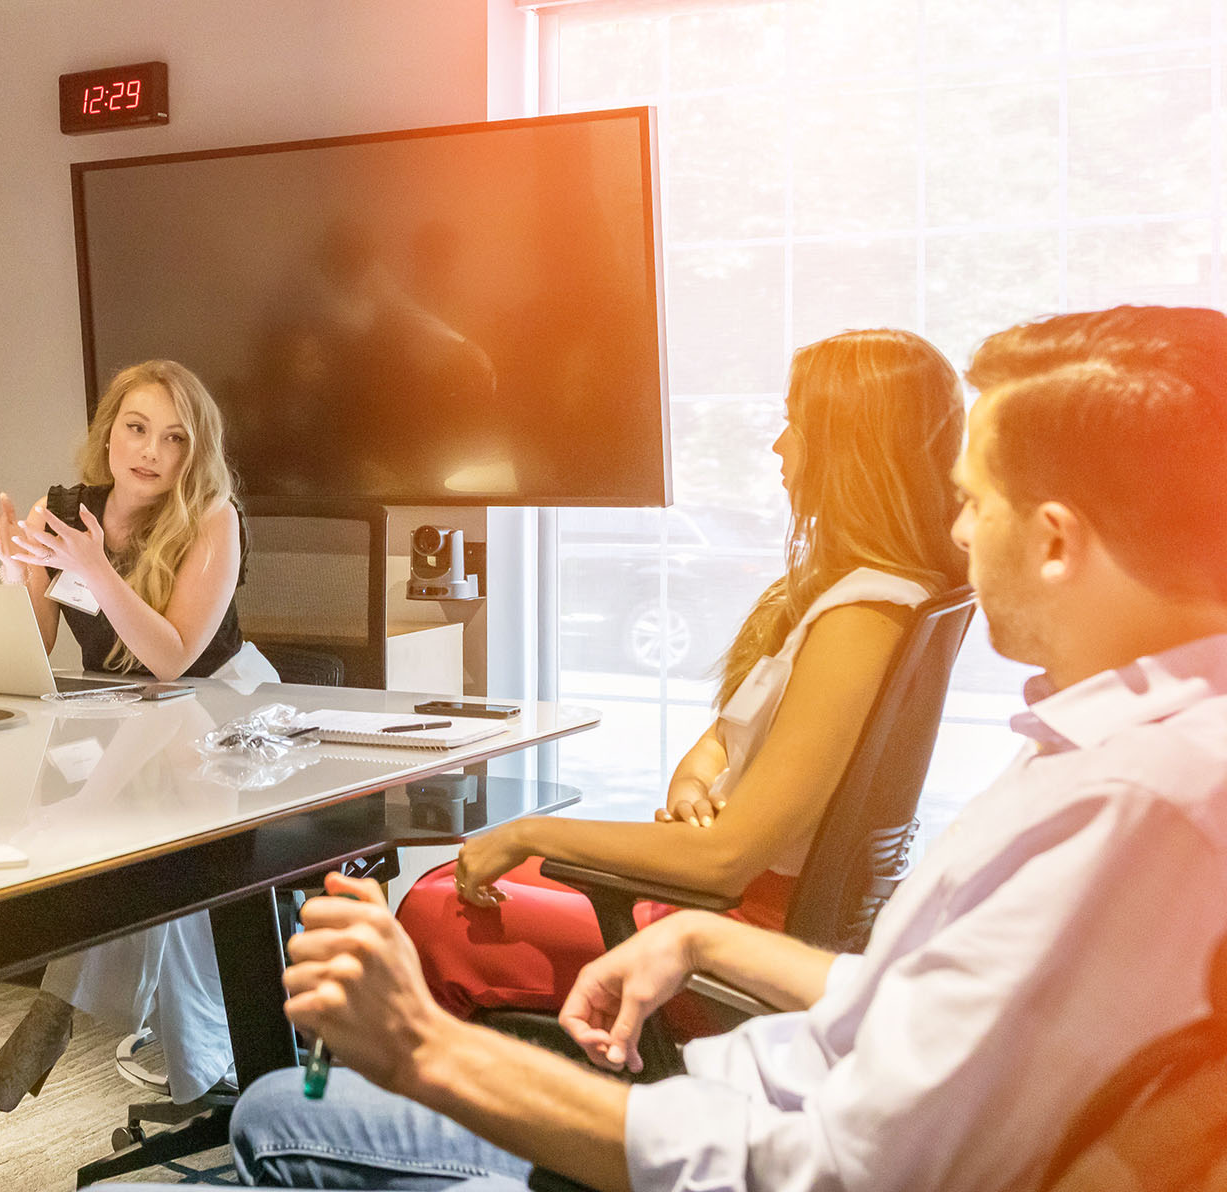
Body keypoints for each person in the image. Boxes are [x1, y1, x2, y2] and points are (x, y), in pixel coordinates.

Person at [109, 305, 1227, 1192]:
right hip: (752, 1068)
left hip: (735, 1125)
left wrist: (421, 1050)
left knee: (291, 1092)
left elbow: (840, 1162)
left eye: (978, 502)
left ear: (1057, 541)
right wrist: (694, 931)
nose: (956, 530)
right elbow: (910, 1003)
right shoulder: (1105, 753)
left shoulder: (1126, 803)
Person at [398, 329, 965, 1020]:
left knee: (437, 910)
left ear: (851, 448)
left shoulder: (863, 616)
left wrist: (527, 831)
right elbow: (734, 738)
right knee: (468, 877)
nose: (779, 446)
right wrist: (697, 776)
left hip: (736, 934)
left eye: (795, 424)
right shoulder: (878, 597)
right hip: (736, 907)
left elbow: (725, 860)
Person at [0, 358, 275, 1113]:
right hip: (129, 712)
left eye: (173, 438)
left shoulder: (212, 516)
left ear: (192, 452)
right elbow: (34, 652)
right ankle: (182, 1055)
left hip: (221, 707)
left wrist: (94, 566)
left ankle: (55, 1012)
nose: (151, 451)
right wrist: (16, 573)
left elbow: (173, 659)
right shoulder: (60, 508)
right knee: (114, 822)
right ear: (109, 434)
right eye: (136, 428)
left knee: (132, 824)